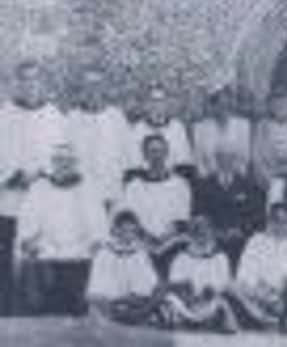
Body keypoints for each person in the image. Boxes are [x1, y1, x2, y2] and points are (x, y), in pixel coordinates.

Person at [18, 143, 109, 316]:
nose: (64, 165)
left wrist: (96, 243)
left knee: (79, 299)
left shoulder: (89, 188)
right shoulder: (39, 188)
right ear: (52, 163)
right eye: (59, 160)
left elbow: (99, 225)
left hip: (80, 254)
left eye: (69, 160)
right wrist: (28, 241)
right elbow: (27, 222)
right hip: (48, 253)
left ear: (76, 163)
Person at [231, 203, 287, 332]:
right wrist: (259, 290)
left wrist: (279, 288)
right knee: (231, 286)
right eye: (276, 220)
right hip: (258, 297)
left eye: (285, 221)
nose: (280, 226)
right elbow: (244, 273)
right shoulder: (256, 241)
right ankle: (264, 319)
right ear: (269, 221)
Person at [119, 134, 191, 278]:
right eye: (152, 151)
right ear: (144, 155)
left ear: (166, 154)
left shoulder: (180, 184)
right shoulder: (134, 186)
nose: (156, 156)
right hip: (142, 244)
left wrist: (164, 238)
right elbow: (131, 218)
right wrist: (147, 238)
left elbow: (182, 217)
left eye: (160, 151)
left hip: (172, 244)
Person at [67, 64, 131, 213]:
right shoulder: (72, 118)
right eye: (88, 85)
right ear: (82, 88)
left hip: (112, 198)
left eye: (97, 85)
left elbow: (127, 161)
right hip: (79, 199)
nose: (93, 90)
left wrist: (113, 193)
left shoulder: (116, 117)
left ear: (104, 88)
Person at [195, 148, 266, 269]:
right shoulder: (204, 185)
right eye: (221, 158)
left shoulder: (248, 184)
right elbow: (199, 213)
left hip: (242, 241)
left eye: (230, 158)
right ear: (216, 160)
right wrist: (214, 231)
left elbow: (257, 215)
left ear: (236, 161)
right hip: (213, 241)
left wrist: (242, 230)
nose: (226, 162)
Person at [165, 216, 239, 332]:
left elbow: (224, 282)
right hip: (187, 302)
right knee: (170, 299)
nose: (202, 237)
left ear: (211, 234)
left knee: (221, 303)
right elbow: (174, 281)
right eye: (197, 232)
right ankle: (182, 320)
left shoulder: (220, 257)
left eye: (205, 232)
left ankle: (211, 321)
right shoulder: (181, 257)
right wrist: (187, 295)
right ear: (192, 235)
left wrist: (211, 289)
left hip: (208, 301)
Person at [86, 210, 159, 322]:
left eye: (133, 231)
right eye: (126, 231)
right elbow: (98, 285)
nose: (130, 235)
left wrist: (139, 294)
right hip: (109, 302)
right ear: (116, 230)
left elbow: (148, 283)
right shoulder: (105, 253)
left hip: (133, 301)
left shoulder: (139, 253)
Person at [252, 87, 287, 186]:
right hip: (272, 180)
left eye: (284, 102)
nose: (280, 105)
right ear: (270, 105)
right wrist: (270, 176)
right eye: (276, 102)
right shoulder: (263, 126)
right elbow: (257, 159)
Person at [128, 84, 193, 172]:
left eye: (161, 101)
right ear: (147, 104)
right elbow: (134, 160)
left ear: (167, 103)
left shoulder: (177, 128)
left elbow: (184, 159)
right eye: (153, 101)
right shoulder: (138, 129)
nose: (157, 106)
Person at [193, 86, 251, 178]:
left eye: (226, 105)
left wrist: (232, 177)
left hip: (237, 178)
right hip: (209, 178)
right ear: (212, 106)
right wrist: (209, 179)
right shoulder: (200, 128)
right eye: (219, 104)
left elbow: (245, 158)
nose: (223, 109)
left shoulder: (243, 125)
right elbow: (199, 160)